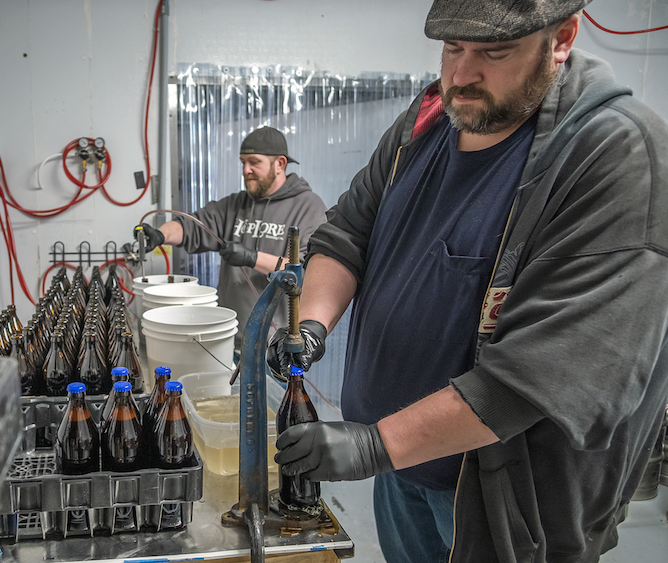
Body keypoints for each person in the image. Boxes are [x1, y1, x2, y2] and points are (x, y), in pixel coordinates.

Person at [267, 1, 668, 562]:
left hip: (504, 505)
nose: (461, 74)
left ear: (562, 39)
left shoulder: (615, 154)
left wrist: (373, 445)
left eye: (494, 53)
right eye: (452, 48)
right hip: (402, 471)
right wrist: (311, 325)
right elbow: (348, 232)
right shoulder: (431, 118)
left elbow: (547, 374)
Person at [137, 126, 327, 347]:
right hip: (229, 336)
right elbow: (192, 226)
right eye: (243, 162)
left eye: (254, 162)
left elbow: (307, 271)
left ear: (280, 164)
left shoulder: (308, 207)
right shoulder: (236, 204)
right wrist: (160, 235)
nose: (246, 170)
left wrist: (251, 258)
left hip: (277, 344)